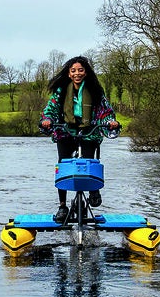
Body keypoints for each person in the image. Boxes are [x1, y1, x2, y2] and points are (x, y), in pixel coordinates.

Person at [40, 56, 120, 222]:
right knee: (62, 164)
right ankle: (62, 206)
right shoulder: (61, 91)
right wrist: (47, 120)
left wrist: (111, 122)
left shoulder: (95, 90)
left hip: (89, 131)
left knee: (90, 160)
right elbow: (50, 110)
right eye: (73, 70)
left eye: (81, 70)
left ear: (86, 72)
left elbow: (105, 112)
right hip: (65, 131)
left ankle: (94, 190)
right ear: (69, 74)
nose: (77, 73)